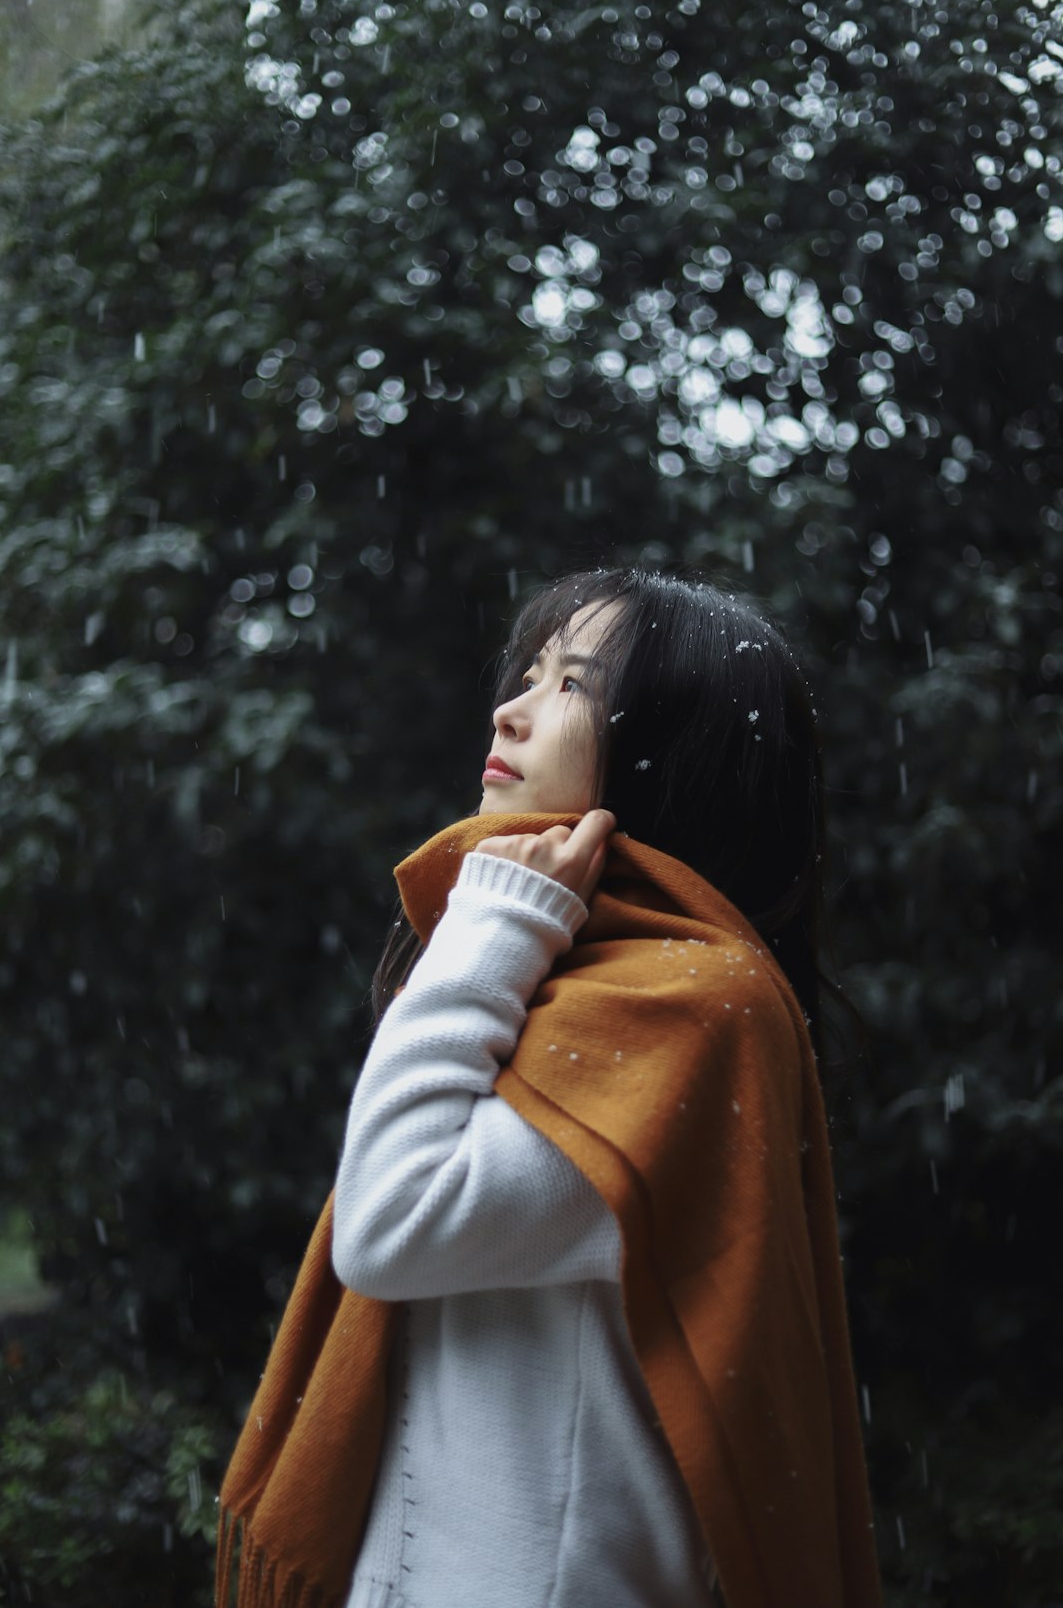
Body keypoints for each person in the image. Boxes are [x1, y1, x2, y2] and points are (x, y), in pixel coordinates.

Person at [215, 567, 885, 1608]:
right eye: (527, 672)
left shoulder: (695, 1004)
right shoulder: (567, 976)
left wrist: (496, 923)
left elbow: (393, 1220)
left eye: (572, 684)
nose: (511, 710)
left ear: (677, 753)